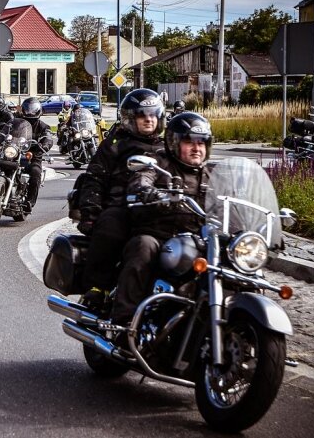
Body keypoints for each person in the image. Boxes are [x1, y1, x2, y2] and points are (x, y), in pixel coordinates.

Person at [110, 112, 213, 327]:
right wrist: (148, 192)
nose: (197, 148)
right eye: (189, 141)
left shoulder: (211, 175)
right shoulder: (158, 163)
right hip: (160, 235)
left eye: (201, 142)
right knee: (143, 247)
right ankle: (124, 320)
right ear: (175, 143)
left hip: (197, 239)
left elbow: (230, 197)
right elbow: (142, 179)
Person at [77, 88, 166, 312]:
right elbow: (94, 178)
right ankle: (97, 288)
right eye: (142, 115)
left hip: (158, 209)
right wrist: (91, 213)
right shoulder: (115, 143)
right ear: (130, 118)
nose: (148, 119)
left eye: (153, 114)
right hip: (120, 205)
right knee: (110, 227)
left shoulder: (167, 147)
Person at [17, 97, 53, 212]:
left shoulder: (43, 126)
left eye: (33, 109)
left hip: (33, 156)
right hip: (15, 154)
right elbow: (7, 129)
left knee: (36, 172)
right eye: (28, 109)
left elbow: (48, 137)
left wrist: (45, 145)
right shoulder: (18, 122)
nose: (30, 112)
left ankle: (30, 202)